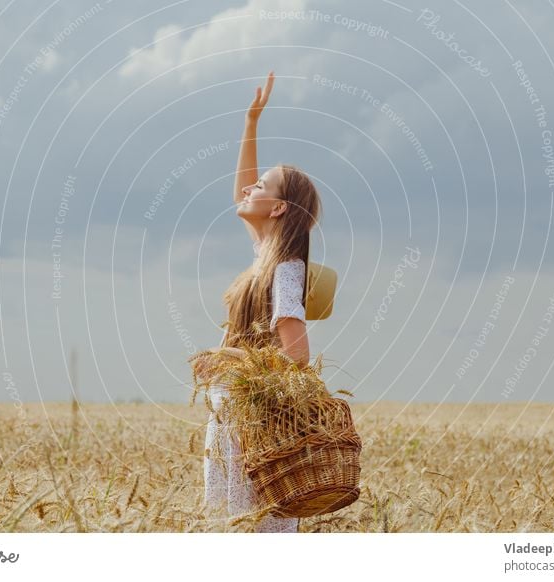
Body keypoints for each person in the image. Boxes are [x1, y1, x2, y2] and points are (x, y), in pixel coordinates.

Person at [195, 71, 323, 533]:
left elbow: (298, 355)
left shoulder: (286, 268)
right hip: (232, 412)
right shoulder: (265, 255)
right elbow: (239, 194)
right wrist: (251, 122)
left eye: (262, 187)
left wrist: (232, 359)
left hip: (253, 422)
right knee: (233, 528)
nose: (250, 189)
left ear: (278, 209)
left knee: (255, 530)